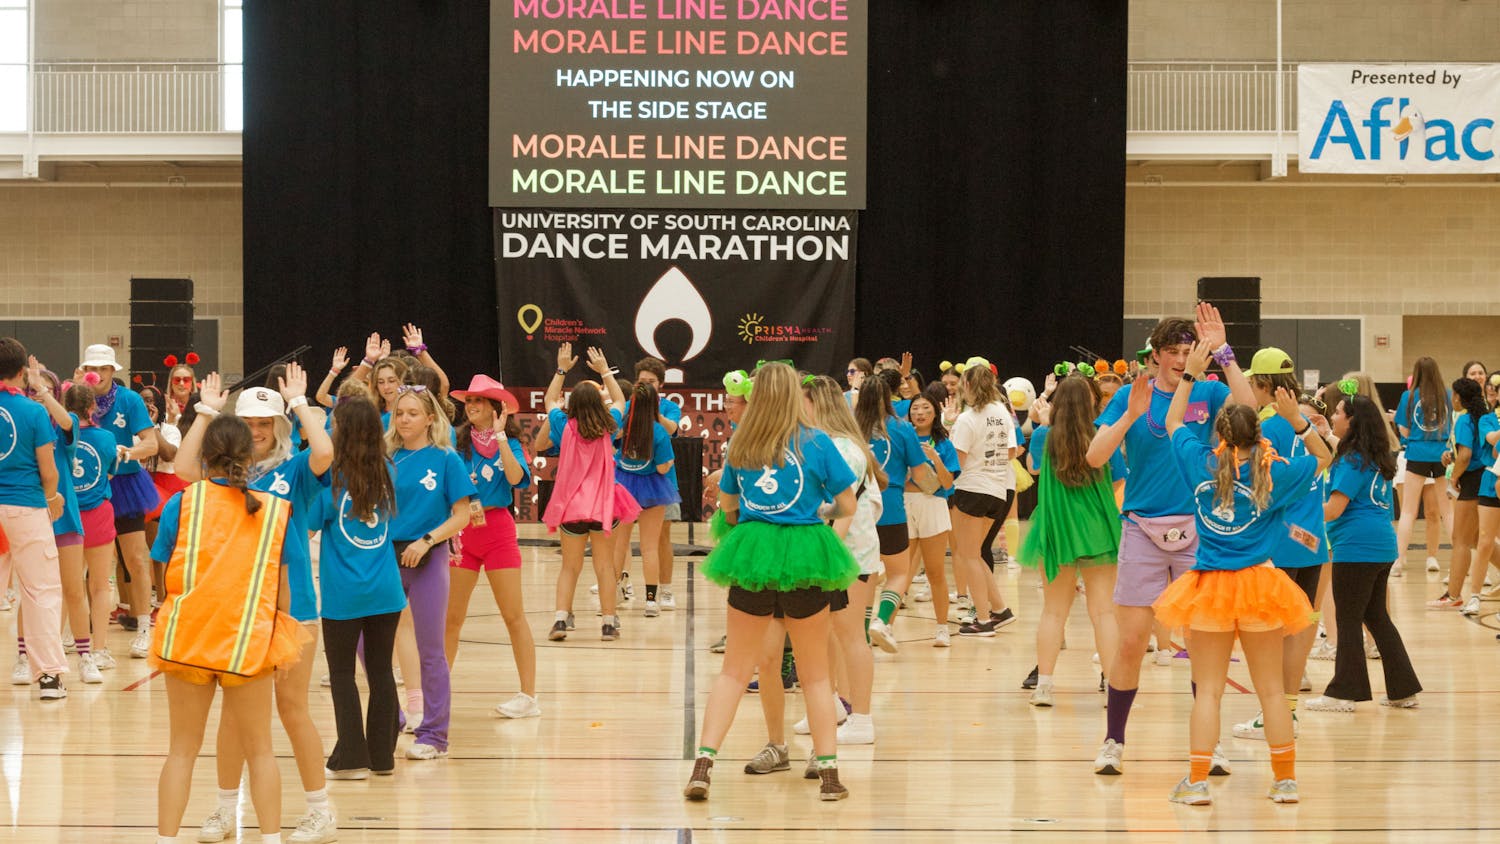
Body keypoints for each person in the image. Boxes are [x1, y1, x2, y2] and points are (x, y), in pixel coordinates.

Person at [1152, 339, 1330, 805]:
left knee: (1208, 692)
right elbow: (1325, 458)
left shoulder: (1200, 462)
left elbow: (1172, 422)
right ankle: (1285, 782)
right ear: (1259, 434)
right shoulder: (1274, 473)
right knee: (1271, 692)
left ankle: (1196, 784)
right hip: (1259, 586)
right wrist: (1298, 421)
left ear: (1219, 432)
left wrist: (1190, 373)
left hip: (1209, 588)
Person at [1086, 305, 1256, 776]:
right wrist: (1129, 417)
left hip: (1199, 530)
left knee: (1205, 644)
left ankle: (1209, 743)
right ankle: (1113, 740)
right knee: (1131, 643)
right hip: (1141, 528)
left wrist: (1225, 352)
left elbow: (1250, 409)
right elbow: (1095, 457)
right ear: (1157, 354)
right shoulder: (1131, 394)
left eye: (1189, 351)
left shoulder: (1209, 391)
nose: (1183, 359)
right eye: (1175, 352)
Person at [684, 363, 859, 802]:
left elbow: (727, 507)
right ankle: (829, 775)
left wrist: (752, 516)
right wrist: (814, 514)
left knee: (733, 671)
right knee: (816, 675)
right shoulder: (817, 441)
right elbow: (847, 503)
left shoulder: (743, 442)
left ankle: (703, 765)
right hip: (806, 555)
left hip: (754, 554)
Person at [177, 366, 336, 844]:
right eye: (248, 423)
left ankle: (321, 811)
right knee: (233, 716)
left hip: (292, 607)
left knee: (292, 709)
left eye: (266, 423)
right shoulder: (223, 475)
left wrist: (301, 403)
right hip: (237, 611)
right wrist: (206, 412)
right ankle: (226, 810)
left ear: (279, 426)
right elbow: (182, 469)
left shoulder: (295, 470)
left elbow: (324, 452)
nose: (258, 431)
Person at [151, 414, 309, 844]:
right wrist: (279, 643)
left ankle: (166, 840)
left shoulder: (182, 502)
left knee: (181, 751)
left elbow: (163, 568)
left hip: (187, 637)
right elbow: (283, 594)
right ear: (250, 456)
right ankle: (271, 839)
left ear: (206, 455)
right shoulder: (275, 510)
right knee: (260, 751)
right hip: (247, 641)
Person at [1232, 348, 1331, 740]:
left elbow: (1259, 489)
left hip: (1278, 542)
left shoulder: (1264, 429)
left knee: (1269, 635)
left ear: (1263, 385)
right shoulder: (1306, 423)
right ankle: (1287, 713)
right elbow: (1325, 460)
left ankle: (1271, 716)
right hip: (1312, 541)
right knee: (1301, 630)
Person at [1307, 384, 1422, 713]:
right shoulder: (1371, 455)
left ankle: (1344, 693)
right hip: (1381, 546)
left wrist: (1294, 512)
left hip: (1356, 548)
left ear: (1352, 420)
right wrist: (1327, 434)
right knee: (1377, 617)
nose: (1332, 415)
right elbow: (1345, 457)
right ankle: (1403, 689)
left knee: (1348, 619)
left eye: (1338, 412)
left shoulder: (1351, 460)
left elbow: (1334, 509)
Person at [312, 396, 405, 779]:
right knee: (381, 671)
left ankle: (351, 758)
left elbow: (309, 525)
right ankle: (382, 757)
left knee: (342, 675)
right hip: (386, 589)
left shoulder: (331, 481)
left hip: (343, 593)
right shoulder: (388, 470)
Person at [384, 384, 477, 759]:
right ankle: (392, 715)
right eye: (399, 413)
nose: (404, 419)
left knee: (431, 649)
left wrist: (427, 540)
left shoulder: (445, 458)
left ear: (429, 418)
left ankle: (434, 735)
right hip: (386, 557)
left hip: (428, 557)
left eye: (412, 413)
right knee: (364, 642)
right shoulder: (386, 458)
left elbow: (462, 515)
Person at [1020, 374, 1121, 707]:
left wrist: (1041, 423)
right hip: (1098, 528)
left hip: (1057, 527)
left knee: (1053, 612)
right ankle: (1112, 687)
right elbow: (1118, 480)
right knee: (1104, 612)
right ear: (1093, 403)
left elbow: (1033, 470)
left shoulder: (1044, 435)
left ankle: (1044, 686)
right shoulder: (1103, 435)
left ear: (1058, 402)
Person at [443, 375, 539, 718]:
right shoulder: (455, 441)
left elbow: (515, 480)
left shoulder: (510, 443)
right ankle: (437, 695)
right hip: (462, 531)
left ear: (496, 408)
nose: (470, 406)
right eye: (468, 401)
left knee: (514, 616)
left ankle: (529, 696)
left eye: (478, 401)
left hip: (498, 530)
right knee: (451, 619)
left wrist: (500, 436)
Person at [540, 344, 636, 641]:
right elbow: (620, 399)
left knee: (569, 567)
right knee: (605, 567)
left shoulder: (563, 425)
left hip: (571, 508)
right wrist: (605, 371)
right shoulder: (608, 425)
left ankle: (560, 620)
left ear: (572, 405)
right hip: (602, 508)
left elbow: (548, 400)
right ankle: (608, 624)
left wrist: (561, 369)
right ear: (598, 403)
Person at [78, 344, 159, 658]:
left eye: (102, 368)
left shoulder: (129, 400)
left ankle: (143, 628)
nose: (97, 373)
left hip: (125, 484)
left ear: (112, 371)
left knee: (135, 559)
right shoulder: (77, 399)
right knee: (85, 563)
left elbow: (151, 444)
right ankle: (81, 631)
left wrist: (127, 453)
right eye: (91, 368)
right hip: (87, 485)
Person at [0, 337, 68, 699]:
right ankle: (49, 678)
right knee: (40, 592)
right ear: (23, 371)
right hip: (25, 506)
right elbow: (49, 470)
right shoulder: (34, 412)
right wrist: (52, 498)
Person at [853, 375, 932, 650]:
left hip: (859, 513)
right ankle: (882, 621)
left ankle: (862, 633)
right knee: (899, 573)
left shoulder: (850, 428)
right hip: (891, 510)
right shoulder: (902, 428)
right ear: (888, 398)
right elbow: (920, 474)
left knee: (866, 573)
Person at [948, 361, 1019, 637]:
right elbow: (1012, 451)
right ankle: (1000, 609)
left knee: (968, 556)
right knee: (975, 554)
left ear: (967, 385)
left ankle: (983, 620)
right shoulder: (1002, 412)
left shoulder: (967, 419)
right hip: (998, 489)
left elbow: (957, 461)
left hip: (972, 489)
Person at [63, 382, 122, 678]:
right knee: (100, 586)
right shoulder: (107, 437)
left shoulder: (58, 437)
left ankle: (61, 643)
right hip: (97, 514)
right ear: (92, 407)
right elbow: (110, 472)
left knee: (68, 586)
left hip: (66, 515)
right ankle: (99, 650)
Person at [612, 381, 679, 618]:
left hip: (623, 487)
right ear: (654, 405)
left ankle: (612, 595)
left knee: (619, 544)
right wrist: (668, 462)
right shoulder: (658, 432)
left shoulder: (622, 425)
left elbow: (612, 448)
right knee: (649, 547)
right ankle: (651, 601)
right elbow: (662, 468)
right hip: (652, 490)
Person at [905, 387, 958, 645]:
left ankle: (942, 628)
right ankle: (886, 626)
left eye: (925, 408)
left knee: (935, 571)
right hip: (904, 504)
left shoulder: (944, 443)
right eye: (915, 408)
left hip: (933, 504)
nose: (920, 413)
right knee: (901, 571)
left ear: (935, 412)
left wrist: (935, 458)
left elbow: (948, 483)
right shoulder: (902, 438)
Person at [1392, 357, 1453, 576]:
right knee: (1447, 511)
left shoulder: (1408, 396)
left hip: (1417, 453)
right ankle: (1460, 560)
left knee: (1408, 511)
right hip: (1443, 454)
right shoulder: (1448, 394)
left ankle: (1399, 561)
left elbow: (1404, 429)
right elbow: (1453, 424)